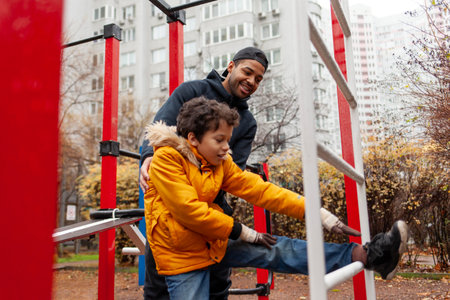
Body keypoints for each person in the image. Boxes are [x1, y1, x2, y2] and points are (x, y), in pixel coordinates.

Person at [144, 97, 409, 300]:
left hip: (213, 239)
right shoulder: (166, 159)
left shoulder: (218, 162)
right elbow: (188, 211)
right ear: (192, 139)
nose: (227, 147)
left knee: (278, 249)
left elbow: (260, 190)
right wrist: (243, 232)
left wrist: (316, 212)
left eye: (229, 139)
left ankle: (370, 255)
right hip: (182, 255)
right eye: (219, 139)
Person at [140, 47, 269, 299]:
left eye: (258, 79)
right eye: (248, 72)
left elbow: (233, 171)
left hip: (210, 207)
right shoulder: (191, 91)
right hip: (171, 205)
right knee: (159, 288)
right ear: (230, 67)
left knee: (217, 287)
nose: (252, 82)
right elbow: (159, 129)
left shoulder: (248, 122)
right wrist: (148, 157)